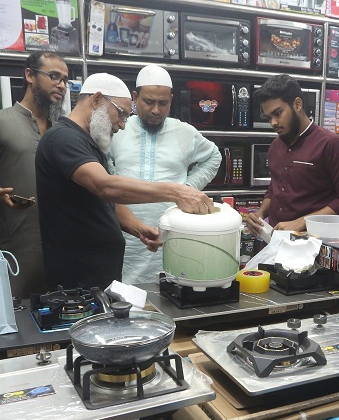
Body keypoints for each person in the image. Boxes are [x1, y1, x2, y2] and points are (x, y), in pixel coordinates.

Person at [35, 73, 213, 290]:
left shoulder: (88, 142)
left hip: (98, 275)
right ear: (97, 100)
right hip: (76, 280)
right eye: (121, 115)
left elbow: (106, 202)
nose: (122, 125)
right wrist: (176, 192)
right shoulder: (63, 139)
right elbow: (105, 187)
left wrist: (138, 228)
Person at [0, 51, 68, 298]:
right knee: (16, 318)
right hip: (16, 244)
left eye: (64, 80)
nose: (61, 85)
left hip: (61, 243)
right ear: (30, 75)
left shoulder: (63, 129)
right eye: (54, 76)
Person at [109, 65, 221, 284]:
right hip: (125, 234)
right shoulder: (118, 128)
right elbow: (103, 168)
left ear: (171, 99)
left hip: (173, 232)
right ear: (135, 97)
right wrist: (116, 186)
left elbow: (214, 157)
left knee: (172, 291)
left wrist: (186, 188)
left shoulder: (185, 132)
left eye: (163, 103)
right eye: (149, 102)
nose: (156, 110)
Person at [244, 74, 339, 236]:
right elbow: (274, 188)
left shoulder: (331, 144)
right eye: (269, 118)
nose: (273, 123)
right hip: (276, 242)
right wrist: (260, 214)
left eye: (278, 113)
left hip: (314, 245)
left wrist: (302, 222)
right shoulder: (275, 146)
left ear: (297, 104)